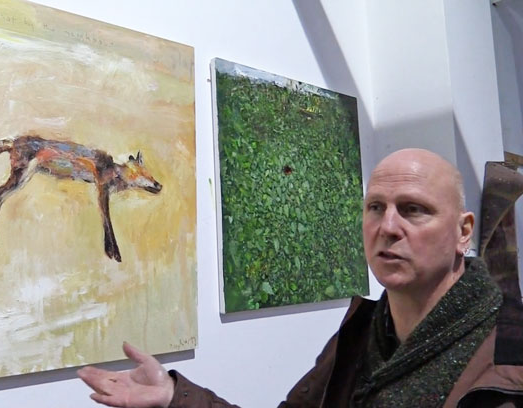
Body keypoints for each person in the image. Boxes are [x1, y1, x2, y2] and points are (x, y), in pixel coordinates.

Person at [77, 148, 523, 407]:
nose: (388, 227)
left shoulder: (508, 351)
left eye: (413, 209)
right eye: (375, 207)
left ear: (463, 230)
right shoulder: (360, 334)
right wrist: (175, 395)